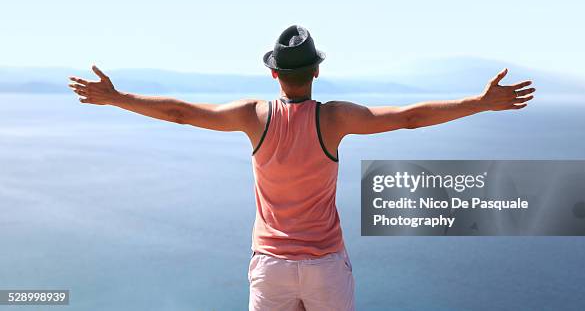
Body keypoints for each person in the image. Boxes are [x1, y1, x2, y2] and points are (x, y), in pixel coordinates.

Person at [68, 25, 535, 311]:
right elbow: (411, 118)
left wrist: (117, 97)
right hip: (326, 266)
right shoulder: (334, 118)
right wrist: (480, 103)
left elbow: (181, 113)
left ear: (274, 74)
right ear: (315, 72)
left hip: (270, 266)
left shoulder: (254, 116)